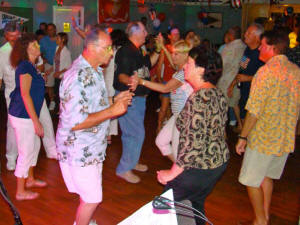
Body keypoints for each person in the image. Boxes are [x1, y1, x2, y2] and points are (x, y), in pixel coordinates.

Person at [56, 26, 133, 225]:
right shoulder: (79, 76)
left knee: (88, 194)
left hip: (91, 146)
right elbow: (76, 122)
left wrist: (115, 100)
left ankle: (85, 220)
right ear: (92, 47)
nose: (111, 52)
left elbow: (94, 103)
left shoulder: (94, 70)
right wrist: (112, 111)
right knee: (93, 199)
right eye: (108, 48)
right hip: (80, 149)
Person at [157, 46, 229, 225]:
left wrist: (172, 173)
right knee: (193, 205)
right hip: (217, 163)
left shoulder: (199, 99)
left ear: (201, 69)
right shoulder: (217, 93)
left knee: (164, 207)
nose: (184, 67)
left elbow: (192, 145)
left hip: (200, 166)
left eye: (189, 63)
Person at [236, 30, 300, 225]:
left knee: (249, 179)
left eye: (262, 45)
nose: (260, 48)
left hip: (264, 138)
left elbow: (254, 110)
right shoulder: (296, 71)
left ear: (272, 48)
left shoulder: (265, 72)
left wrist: (243, 137)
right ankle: (265, 216)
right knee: (266, 176)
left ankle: (260, 220)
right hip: (284, 138)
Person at [0, 22, 57, 172]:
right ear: (5, 36)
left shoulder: (30, 48)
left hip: (35, 93)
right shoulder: (2, 53)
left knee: (45, 120)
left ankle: (51, 150)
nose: (13, 40)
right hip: (15, 96)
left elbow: (39, 67)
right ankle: (12, 157)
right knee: (15, 129)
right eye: (10, 38)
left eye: (16, 37)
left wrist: (40, 76)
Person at [113, 21, 161, 183]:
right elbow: (121, 75)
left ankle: (132, 162)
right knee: (134, 133)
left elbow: (148, 65)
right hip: (129, 97)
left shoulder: (137, 50)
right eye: (143, 30)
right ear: (135, 33)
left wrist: (159, 50)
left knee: (134, 133)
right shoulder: (126, 51)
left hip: (137, 99)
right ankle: (124, 169)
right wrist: (132, 82)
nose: (146, 33)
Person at [137, 40, 193, 162]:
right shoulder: (181, 69)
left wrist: (141, 81)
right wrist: (163, 47)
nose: (173, 56)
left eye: (176, 54)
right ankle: (180, 168)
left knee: (178, 150)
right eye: (172, 53)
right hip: (178, 115)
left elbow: (165, 88)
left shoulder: (184, 73)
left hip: (184, 117)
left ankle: (181, 172)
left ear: (185, 56)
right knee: (161, 141)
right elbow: (173, 65)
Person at [8, 33, 47, 200]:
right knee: (26, 151)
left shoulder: (31, 66)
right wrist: (36, 121)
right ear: (27, 48)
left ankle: (30, 179)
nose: (38, 46)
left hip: (26, 115)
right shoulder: (25, 66)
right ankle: (20, 191)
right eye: (35, 45)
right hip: (23, 115)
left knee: (35, 146)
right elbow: (25, 95)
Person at [228, 23, 264, 132]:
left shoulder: (262, 54)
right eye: (246, 32)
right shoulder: (247, 50)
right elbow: (241, 69)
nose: (245, 35)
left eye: (249, 33)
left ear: (257, 37)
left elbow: (267, 78)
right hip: (244, 91)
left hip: (255, 93)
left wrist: (248, 78)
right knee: (243, 116)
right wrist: (232, 84)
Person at [217, 26, 246, 131]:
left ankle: (222, 129)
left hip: (225, 81)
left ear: (230, 35)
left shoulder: (228, 48)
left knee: (222, 106)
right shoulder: (244, 46)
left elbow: (221, 65)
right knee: (235, 104)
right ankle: (241, 125)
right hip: (238, 80)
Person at [104, 29, 128, 144]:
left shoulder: (111, 50)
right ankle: (111, 134)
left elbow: (104, 66)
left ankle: (107, 136)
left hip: (109, 80)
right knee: (115, 107)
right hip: (119, 83)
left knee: (108, 107)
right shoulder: (123, 51)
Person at [155, 26, 181, 133]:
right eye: (174, 34)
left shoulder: (181, 48)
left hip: (178, 82)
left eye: (178, 33)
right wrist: (160, 80)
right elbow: (159, 66)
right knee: (164, 107)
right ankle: (159, 126)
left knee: (176, 106)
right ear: (169, 36)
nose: (177, 36)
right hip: (167, 81)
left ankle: (172, 128)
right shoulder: (164, 49)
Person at [40, 23, 57, 111]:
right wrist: (43, 58)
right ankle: (52, 101)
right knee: (49, 85)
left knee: (57, 85)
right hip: (48, 65)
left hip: (58, 65)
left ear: (55, 30)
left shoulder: (59, 39)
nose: (50, 31)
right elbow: (40, 52)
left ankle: (58, 101)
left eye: (52, 29)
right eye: (49, 30)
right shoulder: (43, 40)